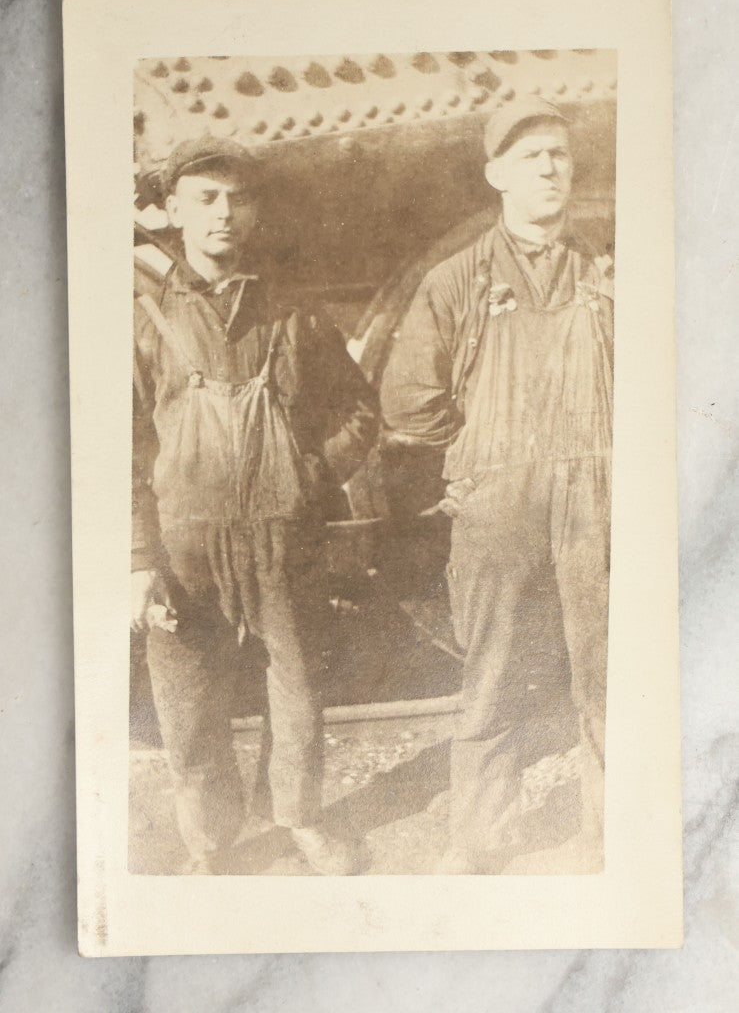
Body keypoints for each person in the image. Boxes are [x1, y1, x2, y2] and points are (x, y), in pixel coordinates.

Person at [131, 135, 378, 874]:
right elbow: (117, 446)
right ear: (172, 210)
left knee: (298, 689)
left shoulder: (292, 314)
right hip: (184, 546)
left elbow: (361, 412)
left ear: (256, 211)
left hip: (283, 537)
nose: (223, 215)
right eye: (205, 198)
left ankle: (300, 819)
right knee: (189, 706)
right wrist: (138, 560)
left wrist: (308, 474)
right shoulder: (141, 318)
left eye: (237, 199)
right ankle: (211, 844)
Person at [380, 96, 613, 873]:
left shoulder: (606, 271)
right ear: (496, 175)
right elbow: (407, 401)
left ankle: (611, 833)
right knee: (492, 673)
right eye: (529, 156)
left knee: (608, 665)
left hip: (598, 500)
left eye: (558, 155)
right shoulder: (455, 281)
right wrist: (480, 456)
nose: (549, 167)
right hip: (498, 506)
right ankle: (482, 838)